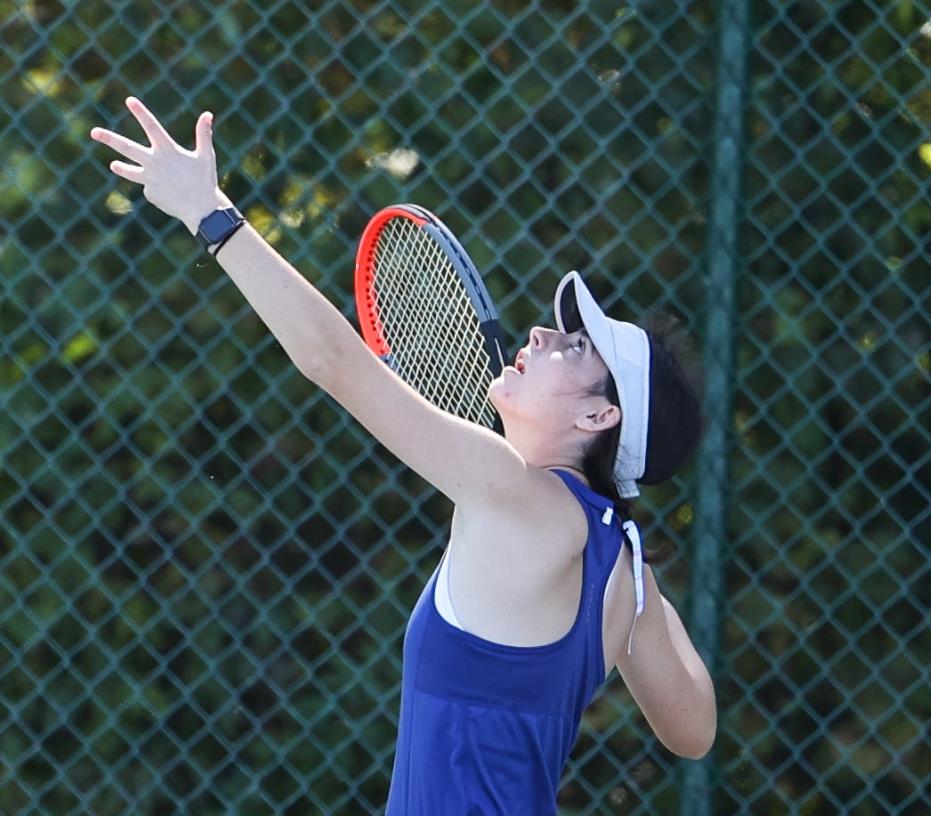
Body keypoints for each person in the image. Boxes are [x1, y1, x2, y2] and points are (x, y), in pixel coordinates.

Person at [91, 97, 717, 815]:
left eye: (575, 348)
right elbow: (693, 730)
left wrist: (212, 214)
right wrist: (642, 604)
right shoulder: (625, 574)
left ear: (599, 416)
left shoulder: (514, 492)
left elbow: (335, 362)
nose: (543, 334)